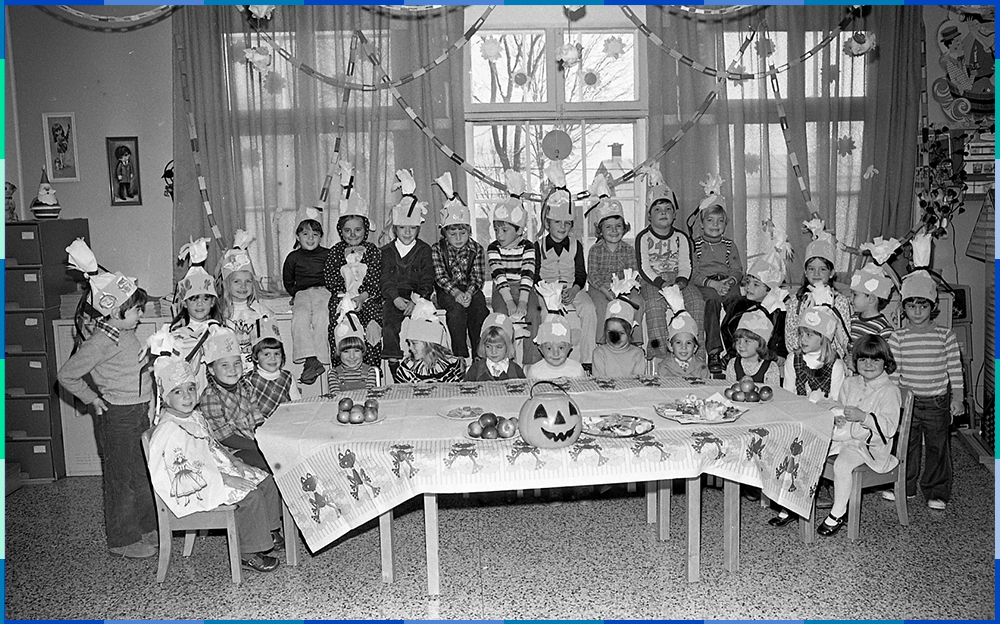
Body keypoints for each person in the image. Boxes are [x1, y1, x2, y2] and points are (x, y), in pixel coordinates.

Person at [57, 239, 157, 558]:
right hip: (117, 417)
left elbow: (132, 369)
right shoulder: (99, 342)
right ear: (116, 309)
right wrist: (92, 399)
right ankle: (123, 539)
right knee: (120, 479)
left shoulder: (125, 335)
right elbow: (67, 374)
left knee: (141, 473)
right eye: (137, 309)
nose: (141, 314)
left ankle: (145, 526)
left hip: (139, 412)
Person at [145, 340, 281, 572]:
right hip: (197, 483)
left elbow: (212, 445)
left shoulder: (193, 417)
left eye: (190, 389)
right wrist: (225, 479)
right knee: (251, 494)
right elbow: (183, 467)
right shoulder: (170, 429)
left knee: (265, 480)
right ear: (165, 398)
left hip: (215, 468)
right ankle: (249, 552)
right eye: (178, 392)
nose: (187, 396)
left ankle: (267, 534)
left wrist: (235, 461)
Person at [886, 246, 964, 511]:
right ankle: (904, 487)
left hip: (937, 402)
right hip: (908, 402)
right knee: (905, 447)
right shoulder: (898, 337)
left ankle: (937, 491)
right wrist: (895, 402)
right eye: (911, 305)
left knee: (937, 447)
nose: (917, 311)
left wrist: (958, 400)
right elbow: (894, 372)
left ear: (932, 307)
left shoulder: (945, 336)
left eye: (922, 305)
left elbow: (955, 369)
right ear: (903, 307)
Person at [816, 335, 902, 536]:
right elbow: (840, 406)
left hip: (870, 446)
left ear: (886, 362)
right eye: (863, 359)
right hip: (846, 438)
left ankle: (838, 513)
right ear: (855, 362)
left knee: (842, 464)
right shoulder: (850, 383)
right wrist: (837, 417)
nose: (868, 364)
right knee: (813, 448)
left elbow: (888, 429)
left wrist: (864, 417)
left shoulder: (889, 391)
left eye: (875, 359)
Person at [532, 161, 598, 369]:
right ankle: (549, 357)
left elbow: (581, 274)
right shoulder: (538, 245)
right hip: (547, 290)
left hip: (572, 288)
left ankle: (586, 359)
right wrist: (550, 292)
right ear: (548, 223)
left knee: (588, 309)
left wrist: (575, 289)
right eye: (557, 223)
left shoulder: (575, 245)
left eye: (567, 223)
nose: (562, 227)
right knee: (546, 313)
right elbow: (534, 276)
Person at [635, 169, 705, 360]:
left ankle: (698, 353)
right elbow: (644, 266)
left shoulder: (681, 237)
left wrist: (681, 282)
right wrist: (661, 284)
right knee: (654, 304)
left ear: (674, 214)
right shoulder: (643, 237)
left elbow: (685, 263)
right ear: (649, 216)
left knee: (697, 302)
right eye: (657, 210)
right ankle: (659, 354)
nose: (663, 213)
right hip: (653, 281)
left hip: (679, 278)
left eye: (667, 209)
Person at [324, 161, 382, 368]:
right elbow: (330, 278)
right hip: (342, 300)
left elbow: (375, 277)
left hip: (368, 300)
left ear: (365, 230)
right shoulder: (335, 252)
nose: (353, 235)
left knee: (371, 333)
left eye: (357, 230)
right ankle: (341, 373)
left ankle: (371, 373)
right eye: (348, 231)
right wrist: (345, 298)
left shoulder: (373, 251)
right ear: (341, 231)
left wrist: (362, 297)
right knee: (340, 330)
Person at [381, 169, 435, 372]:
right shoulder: (386, 251)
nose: (407, 232)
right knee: (389, 323)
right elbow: (385, 278)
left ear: (418, 229)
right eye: (402, 227)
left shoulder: (423, 250)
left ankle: (423, 366)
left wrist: (418, 300)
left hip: (417, 297)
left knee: (423, 327)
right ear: (395, 228)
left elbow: (427, 278)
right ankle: (395, 365)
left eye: (411, 228)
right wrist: (394, 298)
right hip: (395, 297)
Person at [431, 172, 489, 360]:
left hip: (470, 289)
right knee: (455, 312)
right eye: (452, 233)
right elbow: (440, 277)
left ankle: (480, 353)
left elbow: (478, 277)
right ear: (444, 233)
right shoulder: (437, 249)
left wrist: (469, 293)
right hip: (447, 291)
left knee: (479, 307)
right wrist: (456, 293)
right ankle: (460, 356)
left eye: (462, 233)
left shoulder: (477, 249)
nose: (457, 238)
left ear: (469, 231)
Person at [198, 326, 270, 473]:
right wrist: (258, 446)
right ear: (211, 369)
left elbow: (256, 416)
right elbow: (225, 437)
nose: (232, 369)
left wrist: (265, 438)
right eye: (224, 365)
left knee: (280, 456)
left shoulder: (246, 387)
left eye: (237, 363)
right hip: (230, 451)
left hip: (253, 442)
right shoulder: (210, 397)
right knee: (268, 463)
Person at [689, 189, 744, 373]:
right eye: (710, 220)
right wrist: (713, 284)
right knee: (711, 304)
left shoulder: (729, 245)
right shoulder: (695, 245)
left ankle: (735, 347)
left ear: (726, 224)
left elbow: (738, 270)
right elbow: (693, 273)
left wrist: (730, 281)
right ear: (702, 223)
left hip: (728, 282)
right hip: (707, 284)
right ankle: (713, 351)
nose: (715, 225)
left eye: (720, 221)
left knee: (736, 303)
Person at [585, 175, 643, 346]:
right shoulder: (595, 250)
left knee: (638, 302)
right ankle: (603, 342)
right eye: (608, 227)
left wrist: (625, 288)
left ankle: (635, 340)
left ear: (624, 228)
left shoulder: (628, 249)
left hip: (624, 287)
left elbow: (634, 273)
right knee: (603, 306)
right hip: (600, 288)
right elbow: (592, 275)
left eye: (618, 226)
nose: (614, 231)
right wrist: (605, 289)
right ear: (600, 231)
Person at [785, 218, 852, 360]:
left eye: (822, 269)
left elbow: (844, 337)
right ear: (805, 271)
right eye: (811, 269)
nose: (816, 274)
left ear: (832, 272)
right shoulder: (796, 301)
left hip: (831, 360)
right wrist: (803, 353)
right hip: (802, 359)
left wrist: (832, 357)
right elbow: (790, 334)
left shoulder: (840, 302)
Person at [488, 170, 538, 350]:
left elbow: (528, 274)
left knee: (533, 312)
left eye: (504, 230)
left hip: (524, 288)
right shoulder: (494, 248)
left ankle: (531, 358)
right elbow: (499, 275)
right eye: (496, 230)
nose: (499, 235)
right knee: (501, 314)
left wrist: (523, 301)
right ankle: (506, 356)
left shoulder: (528, 247)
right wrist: (509, 301)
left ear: (519, 230)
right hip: (503, 290)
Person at [722, 240, 791, 366]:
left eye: (756, 284)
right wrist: (734, 351)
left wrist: (779, 354)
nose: (749, 287)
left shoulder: (777, 309)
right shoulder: (739, 304)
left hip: (768, 358)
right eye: (747, 282)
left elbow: (780, 335)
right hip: (741, 353)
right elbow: (726, 327)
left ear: (769, 289)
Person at [170, 237, 224, 395]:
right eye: (194, 299)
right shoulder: (176, 334)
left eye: (205, 298)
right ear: (185, 303)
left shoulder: (219, 330)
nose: (200, 304)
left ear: (213, 301)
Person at [282, 217, 331, 385]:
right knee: (300, 317)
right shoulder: (293, 257)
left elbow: (335, 276)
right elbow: (288, 280)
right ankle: (310, 359)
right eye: (305, 233)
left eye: (315, 234)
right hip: (302, 293)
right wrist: (295, 294)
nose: (310, 238)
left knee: (322, 316)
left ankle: (322, 357)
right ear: (297, 236)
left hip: (324, 291)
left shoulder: (327, 254)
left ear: (321, 237)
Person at [217, 230, 274, 371]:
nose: (243, 286)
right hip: (229, 373)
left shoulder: (262, 312)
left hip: (257, 372)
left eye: (248, 281)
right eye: (236, 281)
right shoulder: (220, 314)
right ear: (226, 284)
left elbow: (271, 346)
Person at [781, 290, 848, 402]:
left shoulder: (836, 365)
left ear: (823, 338)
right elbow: (788, 393)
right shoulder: (792, 359)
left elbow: (836, 399)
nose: (803, 339)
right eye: (801, 334)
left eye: (809, 335)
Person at [394, 294, 465, 383]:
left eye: (414, 343)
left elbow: (457, 392)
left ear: (429, 344)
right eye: (409, 343)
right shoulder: (406, 369)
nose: (410, 348)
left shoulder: (452, 364)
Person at [592, 270, 645, 378]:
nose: (615, 337)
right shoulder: (599, 353)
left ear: (630, 332)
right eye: (611, 332)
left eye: (621, 333)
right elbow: (600, 384)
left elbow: (638, 385)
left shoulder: (637, 354)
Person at [244, 318, 300, 420]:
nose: (273, 358)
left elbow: (297, 403)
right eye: (266, 354)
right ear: (255, 357)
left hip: (286, 421)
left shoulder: (287, 377)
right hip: (261, 425)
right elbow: (247, 409)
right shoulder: (249, 381)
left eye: (277, 354)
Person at [328, 295, 383, 391]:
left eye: (356, 350)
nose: (352, 356)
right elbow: (335, 397)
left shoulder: (370, 372)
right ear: (338, 352)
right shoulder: (334, 374)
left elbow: (370, 395)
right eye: (346, 351)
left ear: (363, 351)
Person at [657, 286, 709, 379]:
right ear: (670, 346)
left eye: (688, 343)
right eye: (678, 342)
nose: (683, 347)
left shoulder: (702, 368)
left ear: (695, 347)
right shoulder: (664, 367)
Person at [724, 309, 780, 387]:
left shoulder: (771, 367)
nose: (740, 345)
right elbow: (730, 389)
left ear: (761, 343)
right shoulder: (733, 364)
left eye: (747, 341)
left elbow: (773, 392)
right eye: (737, 340)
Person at [464, 312, 526, 381]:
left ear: (508, 346)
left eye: (499, 347)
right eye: (488, 346)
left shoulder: (516, 370)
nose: (493, 352)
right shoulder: (475, 369)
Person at [525, 313, 587, 381]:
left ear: (569, 348)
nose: (555, 353)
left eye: (561, 348)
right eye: (549, 348)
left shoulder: (577, 370)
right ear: (540, 349)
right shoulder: (534, 372)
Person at [849, 263, 895, 344]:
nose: (850, 299)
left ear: (871, 299)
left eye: (855, 295)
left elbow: (885, 355)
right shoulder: (852, 320)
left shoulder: (883, 329)